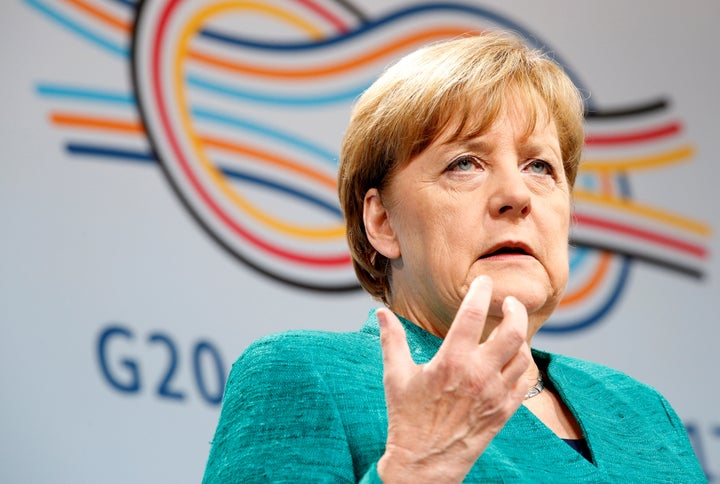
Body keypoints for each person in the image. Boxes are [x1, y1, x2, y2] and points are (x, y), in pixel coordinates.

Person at [202, 32, 704, 482]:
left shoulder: (642, 413)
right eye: (465, 163)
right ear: (383, 223)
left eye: (540, 166)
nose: (516, 194)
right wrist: (414, 472)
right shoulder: (306, 374)